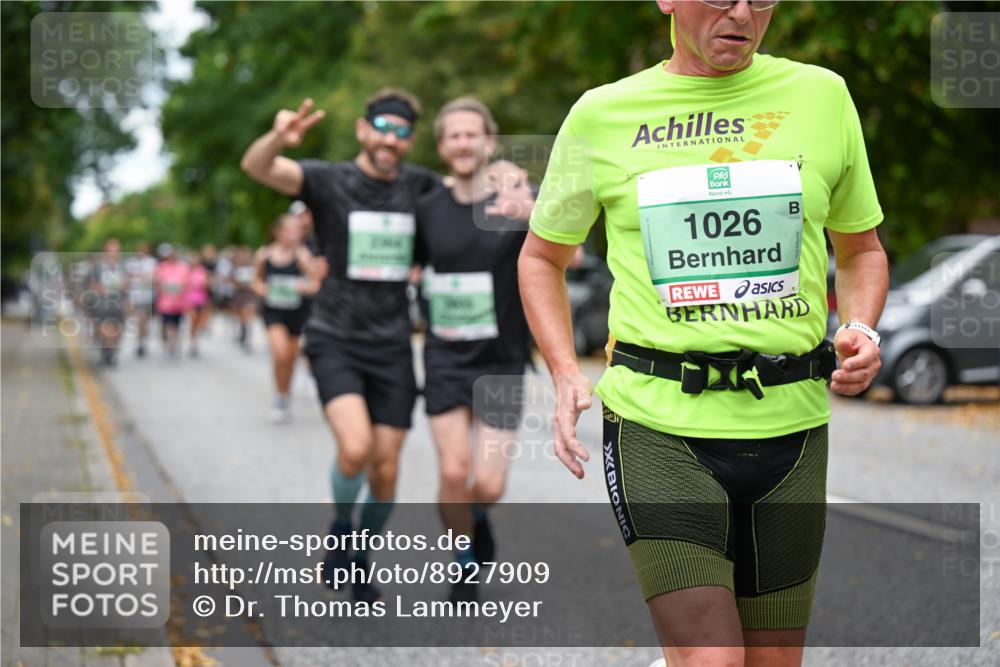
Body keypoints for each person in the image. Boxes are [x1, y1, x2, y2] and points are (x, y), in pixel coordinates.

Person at [518, 2, 889, 666]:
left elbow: (861, 248)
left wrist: (860, 326)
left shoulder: (823, 96)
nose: (741, 13)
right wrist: (566, 371)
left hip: (792, 427)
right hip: (658, 423)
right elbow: (541, 258)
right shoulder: (602, 114)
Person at [240, 89, 439, 603]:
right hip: (335, 337)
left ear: (410, 140)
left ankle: (360, 555)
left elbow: (467, 214)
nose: (391, 139)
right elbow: (257, 167)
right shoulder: (329, 180)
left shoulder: (420, 186)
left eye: (402, 132)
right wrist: (277, 139)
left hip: (393, 343)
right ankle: (341, 526)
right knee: (356, 448)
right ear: (362, 130)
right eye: (383, 128)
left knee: (387, 468)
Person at [415, 97, 535, 603]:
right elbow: (407, 265)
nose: (463, 143)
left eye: (472, 134)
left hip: (501, 360)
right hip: (445, 357)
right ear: (442, 146)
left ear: (490, 141)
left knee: (488, 484)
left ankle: (479, 515)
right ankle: (463, 561)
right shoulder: (427, 207)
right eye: (454, 136)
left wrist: (530, 213)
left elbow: (566, 255)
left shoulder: (514, 196)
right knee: (451, 470)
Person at [252, 214, 319, 423]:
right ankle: (279, 396)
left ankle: (284, 395)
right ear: (278, 232)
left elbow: (315, 283)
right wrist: (265, 289)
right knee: (280, 353)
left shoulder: (303, 255)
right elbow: (256, 281)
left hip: (297, 312)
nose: (293, 235)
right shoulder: (264, 255)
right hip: (274, 311)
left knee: (290, 358)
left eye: (297, 231)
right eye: (289, 230)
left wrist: (303, 287)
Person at [88, 238, 129, 367]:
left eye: (116, 249)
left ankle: (112, 349)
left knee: (118, 328)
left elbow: (128, 284)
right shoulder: (98, 267)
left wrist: (123, 288)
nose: (113, 252)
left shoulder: (123, 266)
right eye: (111, 249)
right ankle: (107, 350)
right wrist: (101, 290)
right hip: (103, 302)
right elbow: (92, 284)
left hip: (119, 301)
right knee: (105, 327)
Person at [154, 244, 191, 359]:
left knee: (177, 325)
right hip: (166, 302)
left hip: (180, 303)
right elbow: (158, 283)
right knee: (168, 325)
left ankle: (174, 344)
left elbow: (187, 283)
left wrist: (179, 288)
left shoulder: (183, 267)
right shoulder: (162, 266)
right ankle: (169, 346)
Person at [126, 241, 158, 358]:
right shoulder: (131, 262)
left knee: (146, 322)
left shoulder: (152, 262)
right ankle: (139, 343)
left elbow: (154, 278)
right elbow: (128, 278)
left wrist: (144, 276)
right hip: (136, 297)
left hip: (149, 296)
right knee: (140, 320)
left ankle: (143, 341)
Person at [185, 250, 212, 357]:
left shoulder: (202, 270)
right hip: (189, 300)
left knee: (199, 322)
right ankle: (192, 341)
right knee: (193, 319)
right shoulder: (186, 270)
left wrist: (206, 284)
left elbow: (207, 286)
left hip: (201, 299)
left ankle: (195, 341)